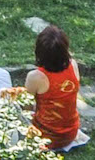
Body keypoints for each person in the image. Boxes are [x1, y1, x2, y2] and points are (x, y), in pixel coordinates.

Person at [24, 24, 86, 152]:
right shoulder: (73, 65)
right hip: (70, 133)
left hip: (45, 137)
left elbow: (27, 108)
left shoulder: (35, 77)